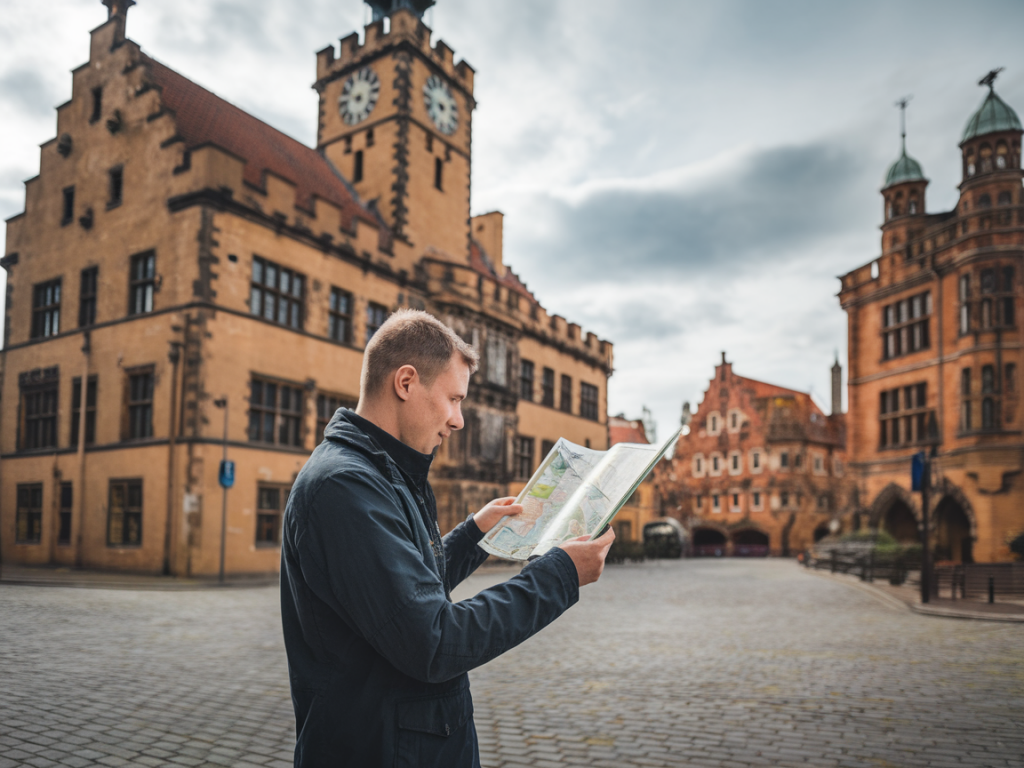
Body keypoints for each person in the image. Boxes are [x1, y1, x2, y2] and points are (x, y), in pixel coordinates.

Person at [280, 309, 614, 767]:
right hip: (382, 750)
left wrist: (475, 534)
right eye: (454, 399)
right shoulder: (344, 486)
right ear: (406, 382)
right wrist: (560, 575)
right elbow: (432, 641)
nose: (458, 420)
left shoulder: (386, 471)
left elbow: (406, 593)